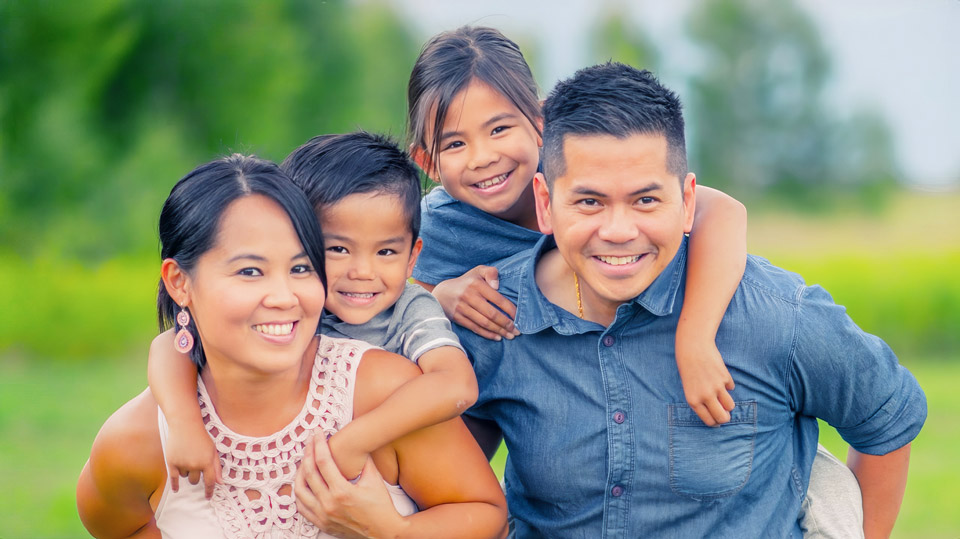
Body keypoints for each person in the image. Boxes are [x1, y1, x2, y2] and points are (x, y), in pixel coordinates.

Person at [450, 63, 925, 537]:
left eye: (646, 201)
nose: (618, 232)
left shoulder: (777, 316)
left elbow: (886, 419)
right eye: (589, 202)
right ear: (544, 202)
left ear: (688, 199)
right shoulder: (490, 322)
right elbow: (444, 488)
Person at [76, 154, 507, 538]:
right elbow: (116, 525)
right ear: (179, 282)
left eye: (301, 267)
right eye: (249, 272)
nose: (284, 296)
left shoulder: (385, 390)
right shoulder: (140, 439)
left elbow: (486, 515)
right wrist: (184, 421)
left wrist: (390, 531)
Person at [406, 26, 745, 428]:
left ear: (541, 123)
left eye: (499, 129)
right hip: (535, 390)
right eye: (455, 145)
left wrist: (695, 339)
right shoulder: (439, 228)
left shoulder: (579, 176)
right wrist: (439, 297)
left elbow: (723, 211)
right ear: (428, 163)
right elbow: (402, 311)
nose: (482, 157)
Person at [147, 132, 479, 496]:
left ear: (413, 256)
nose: (362, 272)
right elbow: (173, 344)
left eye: (385, 252)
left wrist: (355, 441)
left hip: (394, 483)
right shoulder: (300, 304)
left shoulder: (409, 311)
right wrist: (184, 424)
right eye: (337, 248)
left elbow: (456, 384)